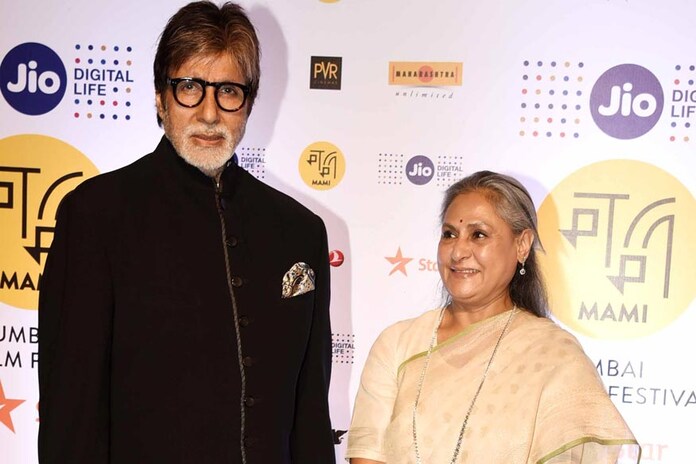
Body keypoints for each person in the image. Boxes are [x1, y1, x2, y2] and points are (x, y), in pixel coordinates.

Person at [38, 2, 335, 463]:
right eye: (190, 88)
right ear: (161, 98)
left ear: (249, 103)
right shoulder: (96, 216)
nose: (210, 113)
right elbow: (71, 416)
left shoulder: (300, 231)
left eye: (228, 91)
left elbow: (310, 416)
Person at [345, 171, 641, 464]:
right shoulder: (398, 344)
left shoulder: (553, 356)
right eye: (449, 234)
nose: (458, 252)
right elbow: (367, 456)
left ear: (522, 245)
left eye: (478, 235)